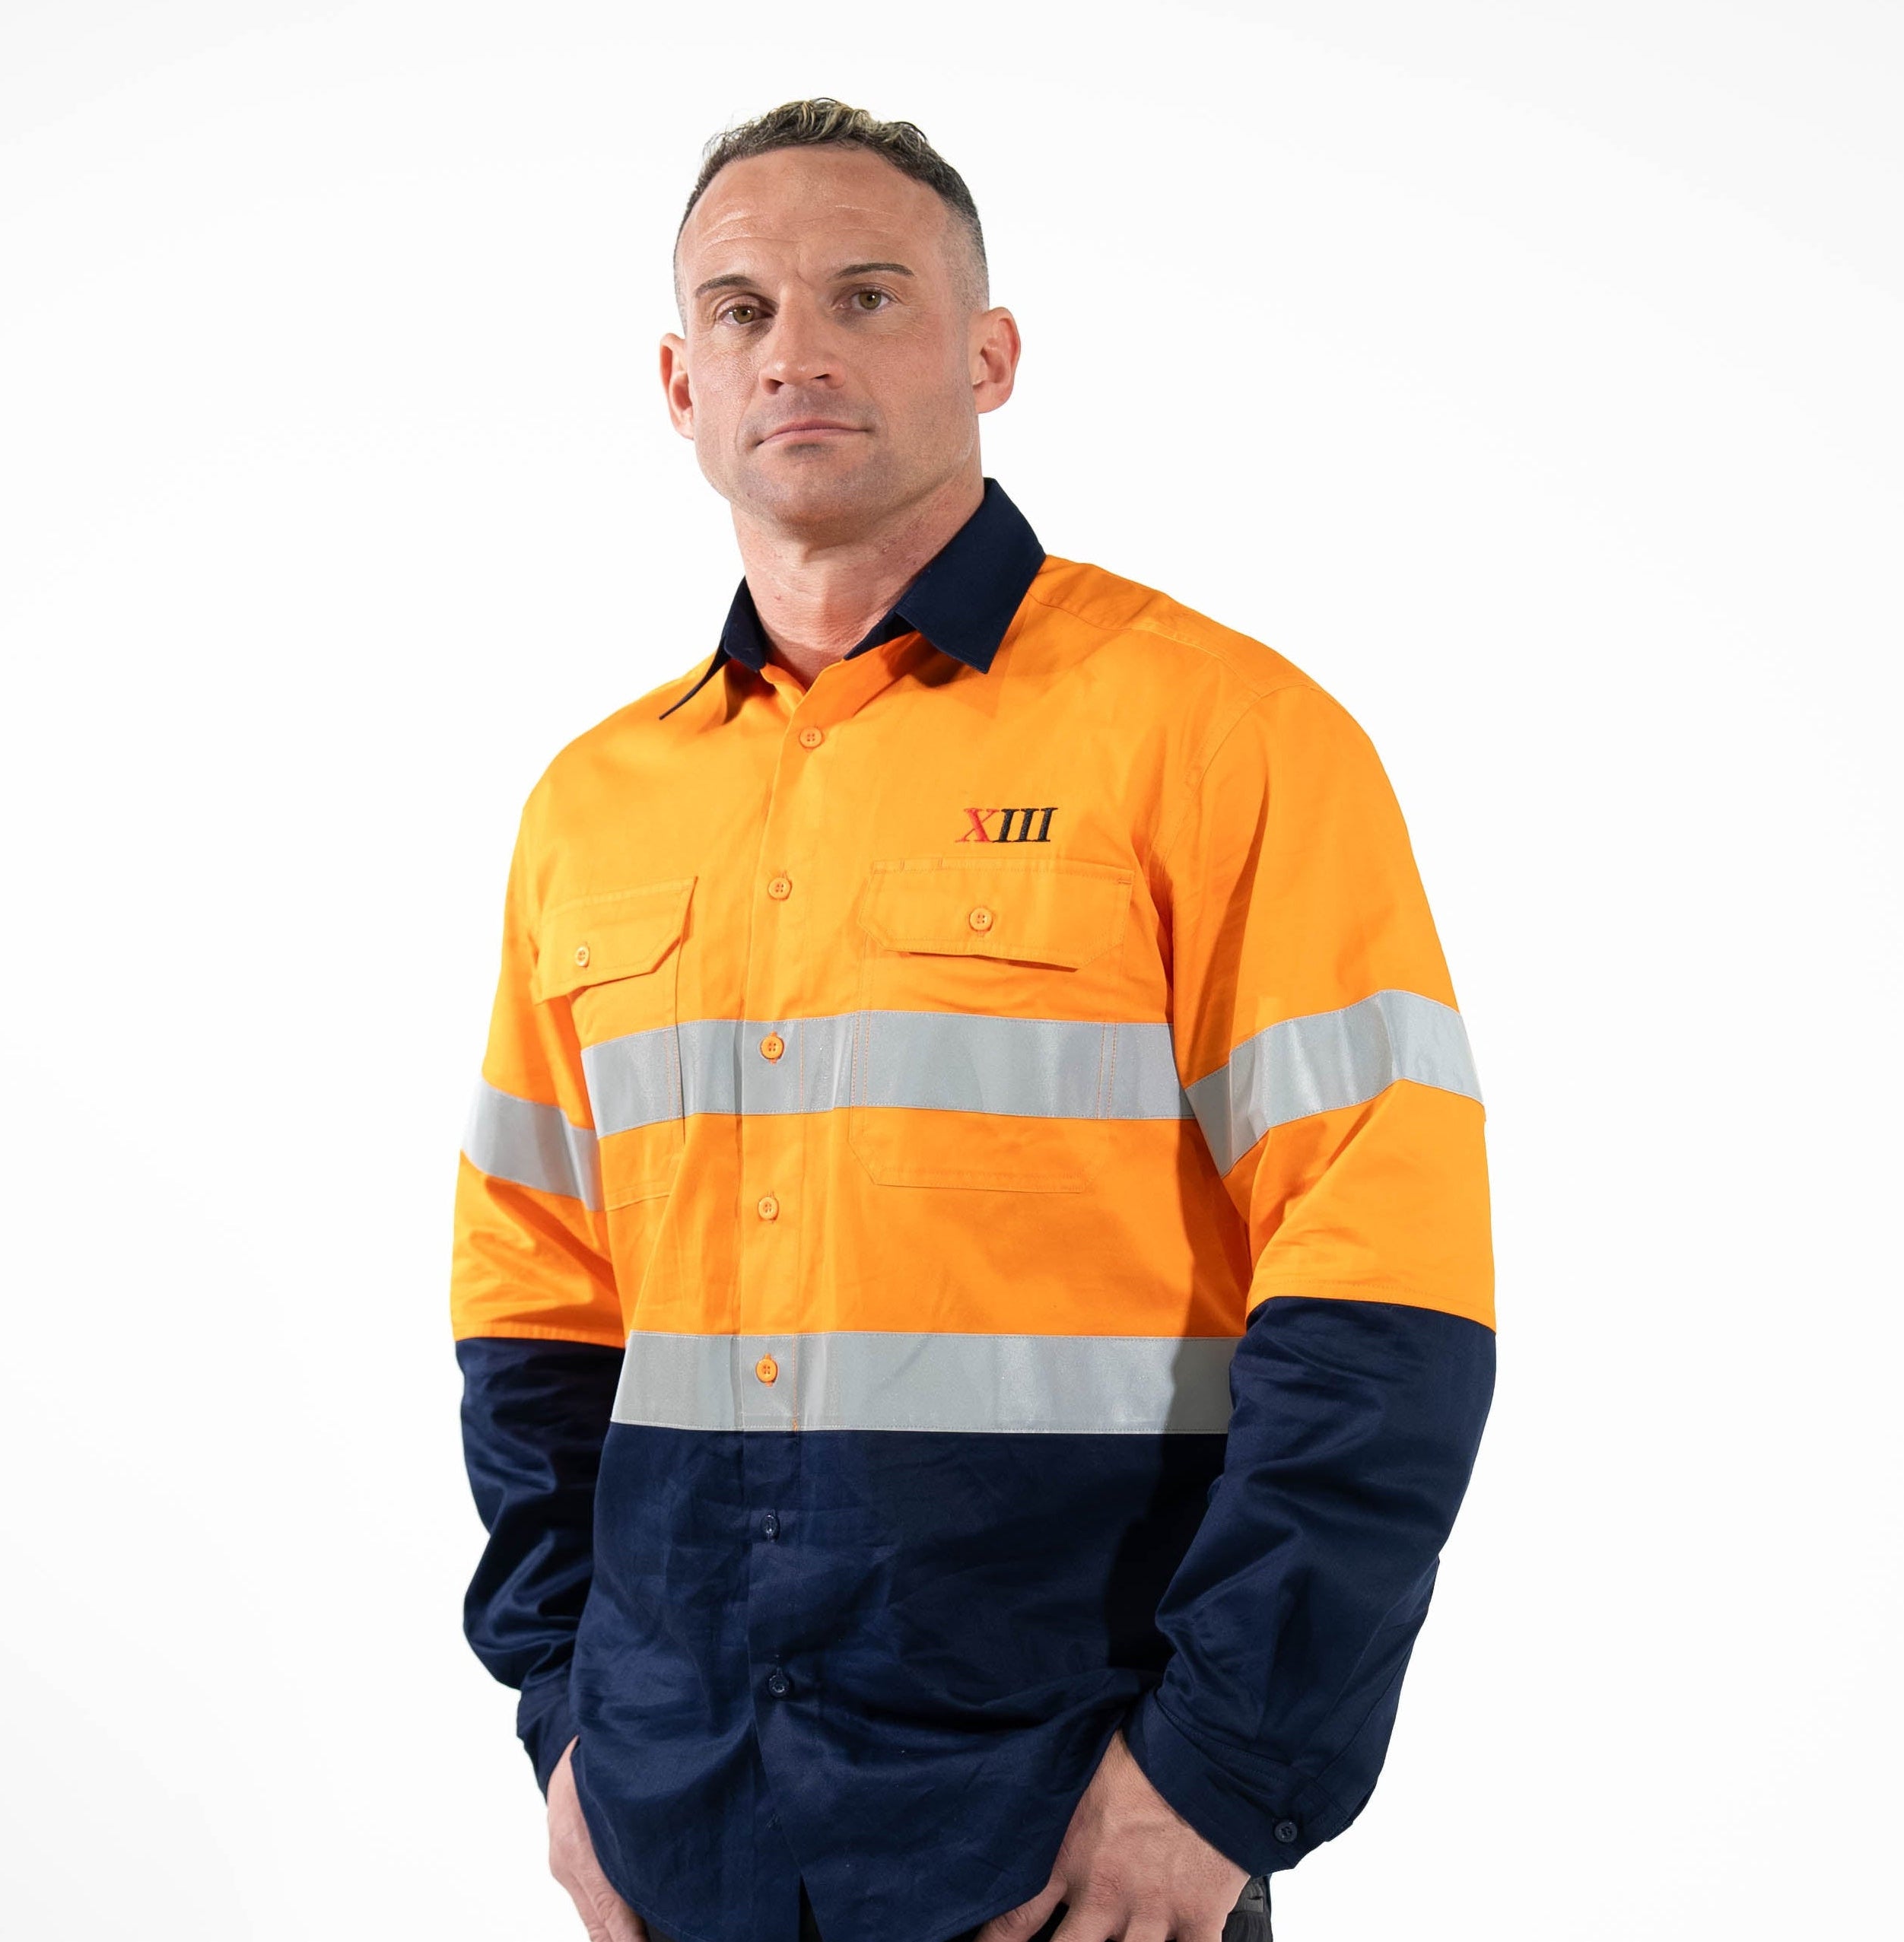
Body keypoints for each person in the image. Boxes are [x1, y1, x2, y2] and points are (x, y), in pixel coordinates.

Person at [450, 97, 1496, 1942]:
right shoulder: (589, 806)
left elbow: (1383, 1309)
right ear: (677, 381)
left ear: (988, 353)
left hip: (1070, 1831)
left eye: (868, 295)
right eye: (746, 309)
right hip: (686, 1819)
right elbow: (535, 1316)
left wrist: (1217, 1776)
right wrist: (567, 1723)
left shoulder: (1219, 734)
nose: (802, 350)